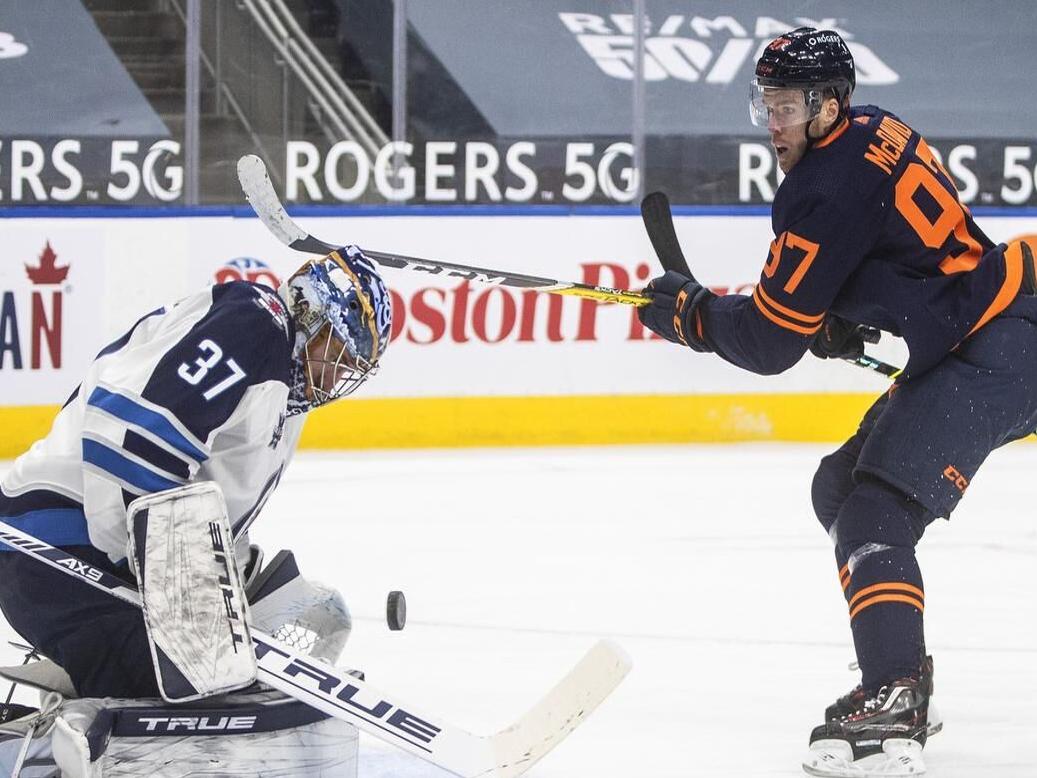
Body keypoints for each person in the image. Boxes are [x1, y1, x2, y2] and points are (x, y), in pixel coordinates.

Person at [638, 26, 1037, 777]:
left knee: (872, 516)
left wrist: (693, 317)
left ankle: (892, 695)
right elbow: (899, 254)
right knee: (838, 488)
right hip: (986, 321)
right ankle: (902, 666)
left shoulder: (821, 189)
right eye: (765, 106)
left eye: (786, 106)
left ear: (828, 104)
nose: (773, 125)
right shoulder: (872, 130)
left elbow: (766, 342)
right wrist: (847, 312)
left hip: (1000, 344)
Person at [0, 244, 392, 700]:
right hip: (54, 547)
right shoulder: (256, 325)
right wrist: (169, 586)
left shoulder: (282, 394)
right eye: (337, 351)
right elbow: (129, 433)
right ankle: (83, 733)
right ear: (310, 313)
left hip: (86, 554)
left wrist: (232, 581)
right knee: (192, 686)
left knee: (235, 668)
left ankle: (92, 701)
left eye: (350, 365)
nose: (335, 377)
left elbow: (207, 502)